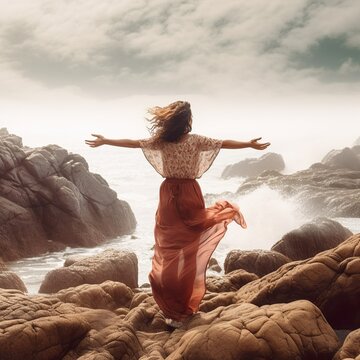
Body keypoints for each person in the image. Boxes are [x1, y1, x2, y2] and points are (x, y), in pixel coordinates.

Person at [85, 100, 270, 328]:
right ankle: (183, 308)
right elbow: (223, 144)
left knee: (168, 247)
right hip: (190, 193)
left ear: (170, 120)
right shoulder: (196, 140)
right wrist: (248, 145)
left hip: (169, 196)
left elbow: (134, 143)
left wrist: (106, 141)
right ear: (188, 121)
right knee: (189, 250)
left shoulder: (161, 141)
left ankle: (171, 307)